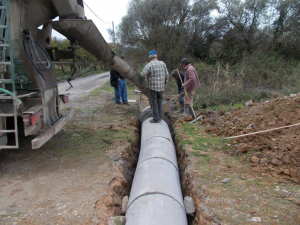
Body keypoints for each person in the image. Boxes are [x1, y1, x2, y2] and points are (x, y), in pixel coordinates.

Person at [141, 50, 169, 123]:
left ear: (150, 58)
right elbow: (167, 75)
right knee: (159, 102)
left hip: (152, 88)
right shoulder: (163, 63)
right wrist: (165, 83)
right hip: (161, 87)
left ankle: (156, 119)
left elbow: (143, 75)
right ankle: (160, 116)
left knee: (154, 103)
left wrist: (147, 78)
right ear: (156, 56)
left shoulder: (149, 65)